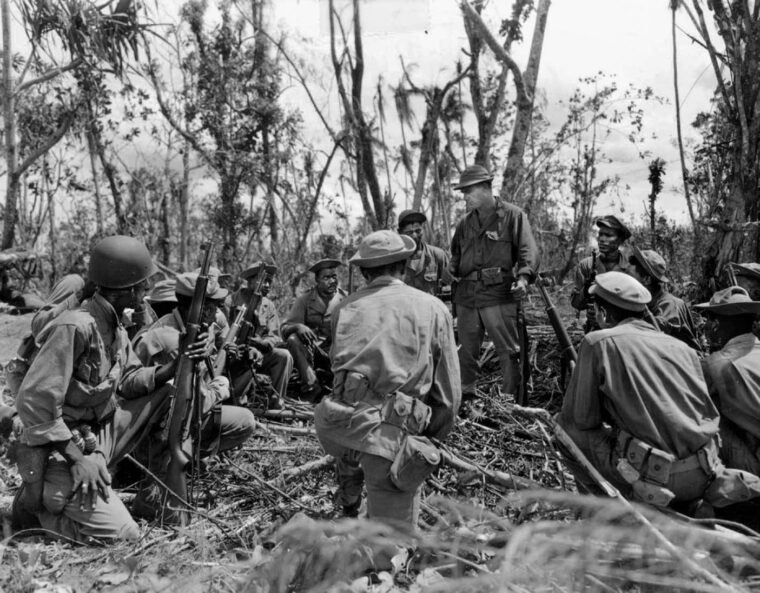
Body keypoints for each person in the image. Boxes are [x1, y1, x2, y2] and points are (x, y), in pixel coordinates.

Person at [12, 236, 204, 543]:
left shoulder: (115, 328)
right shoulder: (76, 326)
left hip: (96, 434)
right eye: (143, 286)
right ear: (127, 289)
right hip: (60, 449)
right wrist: (79, 460)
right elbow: (35, 402)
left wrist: (176, 363)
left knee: (166, 395)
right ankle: (38, 511)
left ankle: (150, 491)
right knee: (125, 535)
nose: (145, 293)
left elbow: (128, 382)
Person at [558, 271, 760, 512]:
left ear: (602, 312)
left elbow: (582, 420)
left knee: (564, 431)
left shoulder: (597, 342)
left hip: (659, 475)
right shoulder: (682, 348)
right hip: (706, 471)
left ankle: (605, 511)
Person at [314, 230, 460, 528]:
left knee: (357, 437)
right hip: (389, 437)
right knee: (392, 547)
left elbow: (339, 366)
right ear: (404, 266)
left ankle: (350, 502)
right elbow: (448, 396)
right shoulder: (433, 307)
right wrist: (427, 441)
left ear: (365, 272)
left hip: (337, 426)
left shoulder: (343, 307)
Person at [131, 272, 256, 520]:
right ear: (197, 308)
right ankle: (158, 484)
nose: (217, 312)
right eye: (212, 306)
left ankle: (184, 466)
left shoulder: (184, 327)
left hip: (164, 423)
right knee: (245, 421)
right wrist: (218, 390)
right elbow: (186, 402)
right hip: (154, 433)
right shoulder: (169, 341)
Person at [449, 165, 539, 398]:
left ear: (487, 188)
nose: (465, 197)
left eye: (469, 191)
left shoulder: (513, 216)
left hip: (498, 294)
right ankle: (466, 396)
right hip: (467, 296)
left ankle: (511, 400)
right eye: (463, 192)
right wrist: (451, 270)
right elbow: (455, 256)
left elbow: (528, 251)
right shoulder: (464, 224)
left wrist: (523, 279)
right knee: (465, 350)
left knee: (509, 351)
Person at [696, 287, 760, 475]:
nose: (706, 325)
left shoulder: (717, 363)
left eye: (708, 319)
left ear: (716, 324)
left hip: (754, 464)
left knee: (707, 415)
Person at [281, 259, 346, 401]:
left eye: (334, 276)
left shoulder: (346, 299)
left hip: (338, 354)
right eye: (326, 277)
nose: (332, 281)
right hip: (312, 353)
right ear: (317, 280)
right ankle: (312, 386)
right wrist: (298, 326)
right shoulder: (304, 299)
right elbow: (284, 329)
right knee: (293, 339)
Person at [228, 262, 293, 405]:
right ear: (251, 281)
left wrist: (263, 343)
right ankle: (236, 398)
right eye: (264, 281)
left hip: (259, 352)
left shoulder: (268, 305)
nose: (268, 286)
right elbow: (223, 332)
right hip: (233, 354)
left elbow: (275, 335)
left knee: (284, 356)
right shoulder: (232, 301)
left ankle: (276, 401)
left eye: (270, 282)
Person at [627, 246, 701, 350]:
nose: (626, 281)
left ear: (647, 279)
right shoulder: (649, 301)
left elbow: (654, 337)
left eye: (630, 276)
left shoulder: (669, 305)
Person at [570, 215, 633, 331]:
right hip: (594, 330)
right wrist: (586, 290)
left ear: (620, 240)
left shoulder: (631, 268)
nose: (602, 239)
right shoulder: (586, 266)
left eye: (609, 235)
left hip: (624, 329)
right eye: (601, 234)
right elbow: (576, 304)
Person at [396, 209, 453, 295]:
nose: (414, 235)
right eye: (409, 232)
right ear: (400, 233)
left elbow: (449, 288)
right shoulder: (394, 260)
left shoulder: (438, 255)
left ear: (423, 230)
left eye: (418, 231)